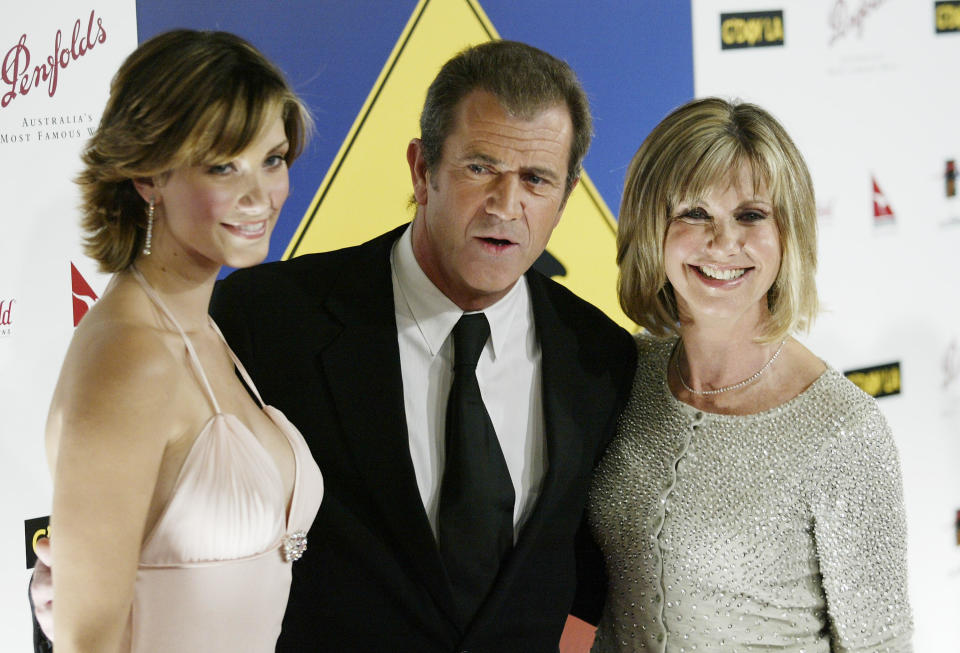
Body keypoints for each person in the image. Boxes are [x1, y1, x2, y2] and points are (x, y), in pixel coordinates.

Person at [33, 40, 637, 652]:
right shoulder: (257, 319)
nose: (506, 205)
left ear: (565, 195)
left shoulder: (600, 359)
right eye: (479, 168)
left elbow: (598, 579)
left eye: (535, 179)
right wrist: (86, 589)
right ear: (421, 170)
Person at [586, 97, 913, 651]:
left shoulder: (843, 433)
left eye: (751, 215)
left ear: (790, 234)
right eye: (694, 213)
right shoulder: (625, 374)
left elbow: (881, 643)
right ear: (651, 226)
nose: (723, 242)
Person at [41, 30, 321, 653]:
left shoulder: (200, 325)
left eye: (271, 159)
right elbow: (89, 642)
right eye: (223, 166)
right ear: (148, 177)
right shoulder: (133, 356)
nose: (260, 196)